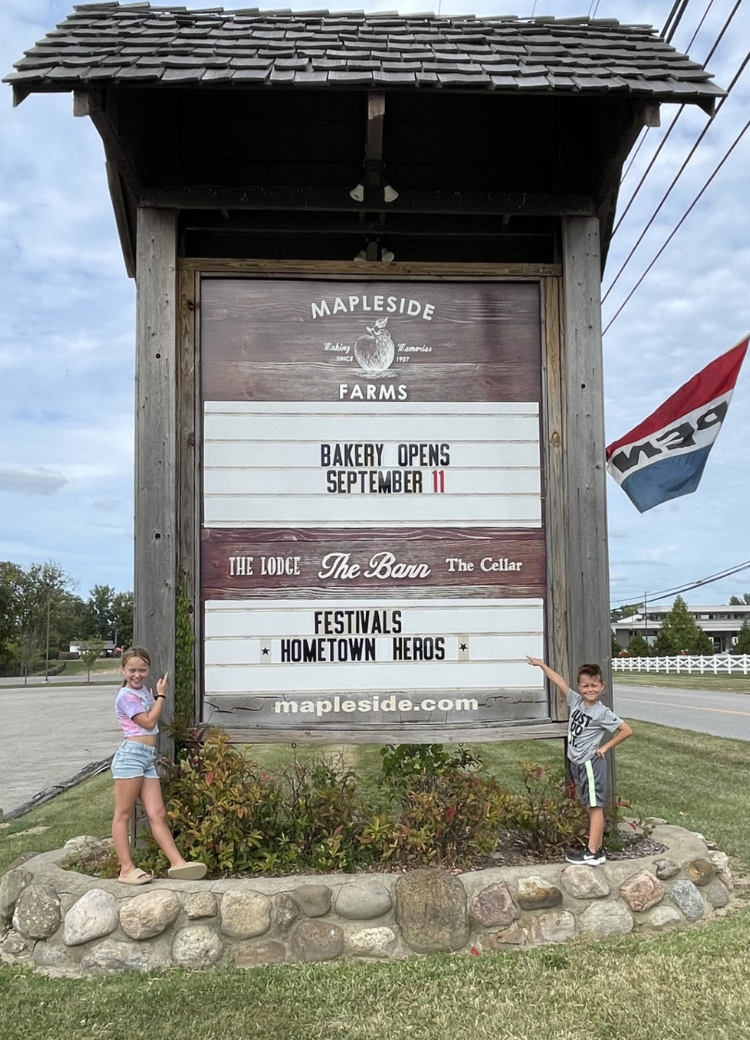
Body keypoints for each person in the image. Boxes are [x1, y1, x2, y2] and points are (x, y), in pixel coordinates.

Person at [111, 646, 206, 884]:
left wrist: (155, 696)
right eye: (132, 669)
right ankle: (126, 868)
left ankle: (178, 863)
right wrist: (162, 695)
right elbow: (148, 721)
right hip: (130, 756)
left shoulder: (143, 691)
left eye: (142, 669)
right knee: (123, 813)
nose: (137, 674)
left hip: (146, 758)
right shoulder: (126, 696)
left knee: (158, 813)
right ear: (123, 670)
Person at [526, 656, 632, 866]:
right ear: (579, 686)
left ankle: (592, 852)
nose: (589, 689)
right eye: (585, 685)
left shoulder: (602, 712)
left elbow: (626, 730)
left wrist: (604, 747)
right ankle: (597, 849)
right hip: (578, 763)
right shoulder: (575, 700)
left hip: (590, 764)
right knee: (590, 806)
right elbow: (559, 681)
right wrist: (541, 665)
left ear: (602, 686)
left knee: (594, 807)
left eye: (594, 685)